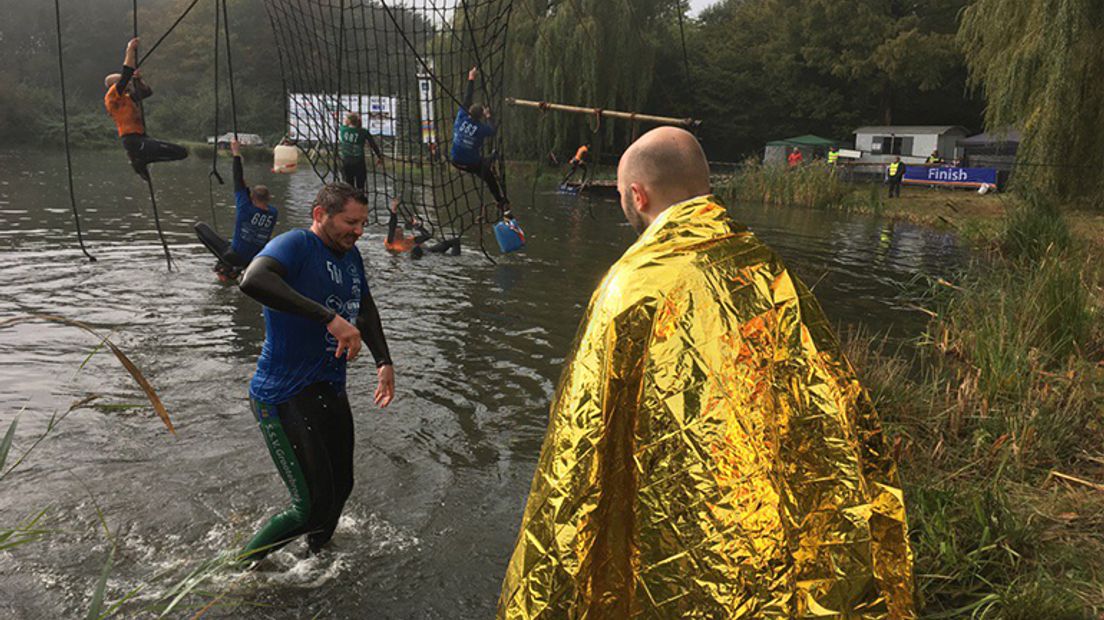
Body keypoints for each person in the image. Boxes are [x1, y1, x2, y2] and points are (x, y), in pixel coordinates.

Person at [497, 127, 914, 618]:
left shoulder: (629, 286)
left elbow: (582, 441)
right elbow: (827, 400)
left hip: (683, 515)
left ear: (637, 195)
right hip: (769, 513)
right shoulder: (766, 265)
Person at [237, 182, 395, 561]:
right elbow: (253, 280)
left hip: (328, 387)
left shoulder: (350, 256)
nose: (358, 231)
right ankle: (238, 570)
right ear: (320, 215)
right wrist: (329, 318)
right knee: (307, 506)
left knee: (341, 487)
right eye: (350, 222)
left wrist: (383, 361)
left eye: (362, 223)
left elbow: (365, 308)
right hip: (283, 393)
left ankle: (314, 560)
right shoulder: (296, 245)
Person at [195, 138, 280, 282]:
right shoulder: (273, 213)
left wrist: (236, 153)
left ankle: (225, 269)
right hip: (252, 259)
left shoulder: (245, 208)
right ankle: (229, 271)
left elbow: (237, 179)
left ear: (251, 198)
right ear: (269, 198)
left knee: (199, 227)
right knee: (231, 244)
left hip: (234, 255)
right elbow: (242, 186)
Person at [103, 37, 188, 181]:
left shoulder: (127, 98)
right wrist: (130, 49)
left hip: (142, 138)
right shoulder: (113, 97)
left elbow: (147, 93)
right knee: (178, 152)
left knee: (182, 153)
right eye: (126, 82)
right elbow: (126, 74)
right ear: (115, 84)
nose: (129, 83)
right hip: (132, 140)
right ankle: (139, 160)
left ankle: (143, 161)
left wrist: (139, 80)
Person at [450, 66, 508, 213]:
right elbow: (493, 130)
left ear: (469, 112)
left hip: (455, 160)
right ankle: (500, 201)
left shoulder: (461, 117)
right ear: (481, 117)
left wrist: (471, 78)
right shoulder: (482, 129)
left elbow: (467, 98)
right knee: (489, 177)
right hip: (471, 163)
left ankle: (490, 158)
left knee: (485, 161)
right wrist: (489, 116)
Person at [338, 112, 385, 190]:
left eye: (346, 119)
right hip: (359, 162)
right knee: (360, 187)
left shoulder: (343, 129)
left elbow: (345, 125)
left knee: (349, 187)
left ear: (349, 121)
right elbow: (373, 145)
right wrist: (379, 156)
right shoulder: (363, 132)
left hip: (346, 161)